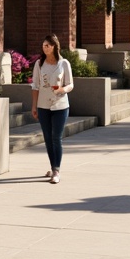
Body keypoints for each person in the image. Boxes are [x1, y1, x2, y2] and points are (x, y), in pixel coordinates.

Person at [31, 34, 73, 184]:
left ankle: (56, 171)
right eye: (43, 45)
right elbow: (35, 86)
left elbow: (71, 84)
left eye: (47, 45)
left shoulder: (64, 63)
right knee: (48, 138)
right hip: (43, 106)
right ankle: (53, 166)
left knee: (56, 137)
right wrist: (34, 105)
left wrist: (62, 89)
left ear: (54, 46)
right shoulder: (39, 64)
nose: (45, 48)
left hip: (60, 105)